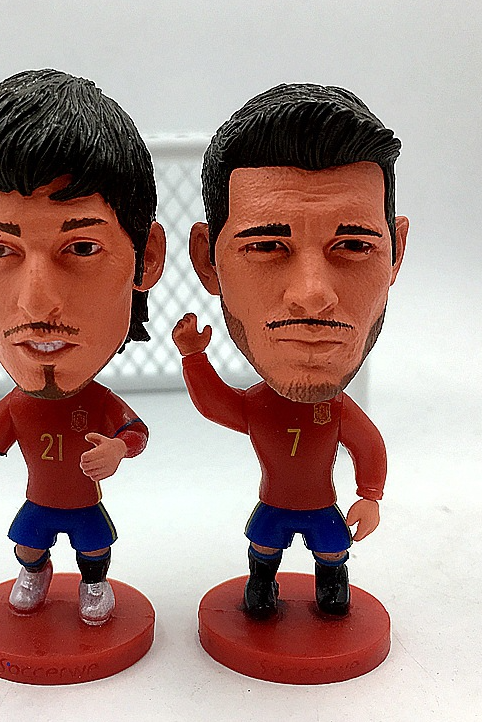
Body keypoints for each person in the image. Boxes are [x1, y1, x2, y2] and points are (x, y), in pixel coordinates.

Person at [0, 70, 165, 626]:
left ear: (147, 257)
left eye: (81, 248)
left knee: (94, 548)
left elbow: (134, 432)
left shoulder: (100, 402)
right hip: (39, 503)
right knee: (29, 543)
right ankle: (33, 573)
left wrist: (118, 449)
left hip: (84, 504)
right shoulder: (18, 406)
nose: (37, 304)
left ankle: (93, 583)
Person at [172, 83, 407, 618]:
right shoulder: (260, 406)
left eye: (354, 245)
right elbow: (218, 404)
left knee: (331, 550)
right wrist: (193, 358)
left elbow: (368, 446)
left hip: (324, 508)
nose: (312, 294)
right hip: (275, 507)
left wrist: (370, 495)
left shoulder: (338, 412)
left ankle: (331, 586)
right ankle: (262, 585)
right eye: (266, 245)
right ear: (208, 261)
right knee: (265, 547)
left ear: (396, 254)